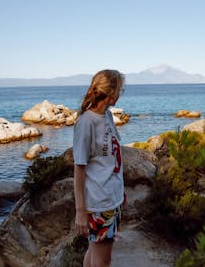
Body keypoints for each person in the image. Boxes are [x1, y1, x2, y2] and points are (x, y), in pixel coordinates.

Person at [73, 69, 125, 267]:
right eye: (120, 89)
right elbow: (79, 169)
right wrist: (80, 211)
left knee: (94, 252)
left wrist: (120, 192)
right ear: (111, 93)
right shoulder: (86, 122)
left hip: (111, 199)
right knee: (102, 262)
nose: (121, 93)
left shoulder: (108, 116)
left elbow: (110, 160)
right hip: (99, 203)